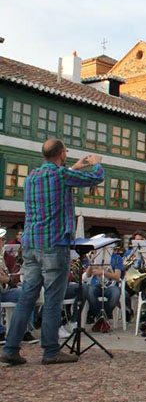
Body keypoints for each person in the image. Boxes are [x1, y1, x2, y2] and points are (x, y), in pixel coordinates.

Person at [0, 139, 103, 366]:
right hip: (54, 245)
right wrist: (96, 163)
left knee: (27, 297)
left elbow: (59, 177)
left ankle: (10, 348)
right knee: (53, 299)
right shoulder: (61, 176)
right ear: (61, 154)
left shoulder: (32, 177)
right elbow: (96, 178)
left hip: (31, 244)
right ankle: (50, 351)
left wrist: (74, 167)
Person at [84, 247, 122, 333]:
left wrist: (102, 272)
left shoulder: (117, 258)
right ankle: (101, 317)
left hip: (110, 285)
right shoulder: (95, 257)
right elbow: (88, 275)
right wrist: (91, 263)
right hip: (96, 284)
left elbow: (117, 276)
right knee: (89, 292)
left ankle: (102, 317)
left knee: (116, 293)